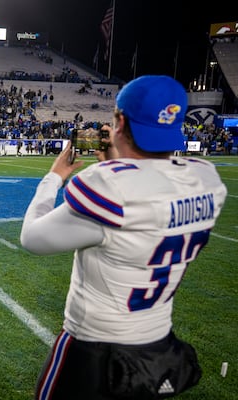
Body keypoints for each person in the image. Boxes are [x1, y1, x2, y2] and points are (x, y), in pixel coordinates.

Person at [19, 75, 227, 399]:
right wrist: (122, 164)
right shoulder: (206, 180)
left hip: (97, 350)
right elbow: (151, 195)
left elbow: (32, 238)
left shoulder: (109, 186)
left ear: (119, 120)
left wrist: (53, 177)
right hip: (158, 344)